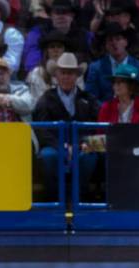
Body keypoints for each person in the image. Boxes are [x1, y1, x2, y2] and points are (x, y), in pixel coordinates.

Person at [33, 52, 101, 200]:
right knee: (48, 155)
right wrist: (62, 147)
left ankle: (81, 196)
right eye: (63, 73)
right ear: (56, 75)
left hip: (82, 143)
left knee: (91, 154)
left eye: (70, 73)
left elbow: (95, 126)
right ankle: (55, 196)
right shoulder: (45, 99)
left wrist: (80, 144)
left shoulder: (88, 99)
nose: (66, 77)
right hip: (55, 144)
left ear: (77, 76)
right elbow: (42, 130)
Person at [85, 23, 139, 104]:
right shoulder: (95, 68)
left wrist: (135, 110)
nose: (114, 43)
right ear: (106, 45)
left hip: (134, 113)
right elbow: (91, 97)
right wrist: (109, 110)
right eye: (110, 40)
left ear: (126, 42)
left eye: (118, 39)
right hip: (106, 113)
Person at [21, 0, 92, 74]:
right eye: (57, 12)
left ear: (72, 15)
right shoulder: (37, 33)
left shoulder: (85, 35)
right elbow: (32, 65)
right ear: (51, 15)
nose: (61, 16)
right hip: (45, 78)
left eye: (65, 12)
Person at [26, 31, 75, 103]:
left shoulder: (74, 71)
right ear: (46, 51)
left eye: (59, 46)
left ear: (64, 50)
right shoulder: (37, 73)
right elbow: (38, 100)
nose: (56, 50)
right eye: (52, 47)